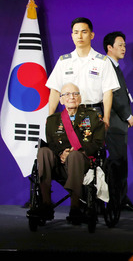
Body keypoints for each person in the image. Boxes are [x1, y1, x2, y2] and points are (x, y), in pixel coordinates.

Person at [27, 83, 105, 224]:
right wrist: (61, 153)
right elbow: (51, 143)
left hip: (83, 162)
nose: (71, 97)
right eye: (67, 94)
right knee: (43, 151)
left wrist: (76, 150)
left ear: (80, 98)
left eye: (75, 94)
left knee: (75, 156)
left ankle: (75, 206)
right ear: (61, 100)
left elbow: (98, 143)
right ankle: (46, 204)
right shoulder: (52, 121)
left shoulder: (93, 117)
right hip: (60, 164)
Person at [45, 17, 120, 129]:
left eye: (84, 32)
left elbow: (108, 92)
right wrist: (50, 117)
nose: (79, 36)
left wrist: (106, 118)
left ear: (92, 35)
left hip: (94, 112)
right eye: (76, 32)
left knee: (93, 146)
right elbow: (55, 90)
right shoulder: (63, 61)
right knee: (69, 146)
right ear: (72, 36)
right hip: (69, 112)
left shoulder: (103, 62)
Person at [103, 31, 133, 212]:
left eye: (124, 45)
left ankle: (120, 198)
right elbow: (115, 93)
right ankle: (116, 200)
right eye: (120, 45)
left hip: (118, 122)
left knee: (121, 161)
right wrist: (127, 115)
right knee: (117, 162)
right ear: (109, 48)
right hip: (114, 121)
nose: (123, 48)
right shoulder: (107, 66)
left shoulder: (116, 66)